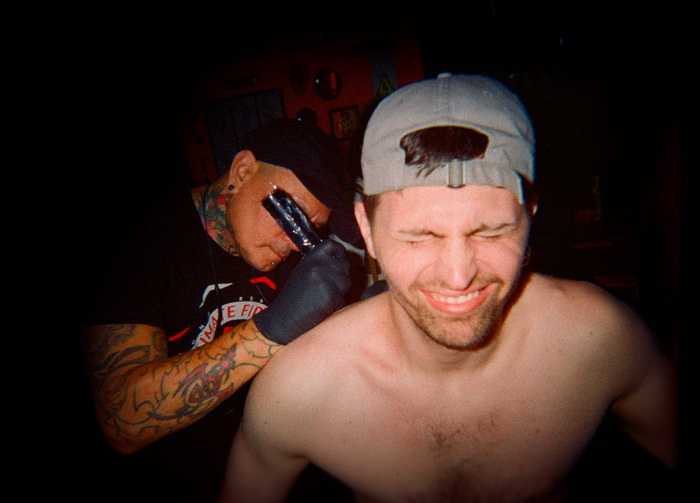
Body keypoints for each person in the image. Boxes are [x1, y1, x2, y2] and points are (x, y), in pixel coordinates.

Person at [220, 74, 677, 502]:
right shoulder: (299, 389)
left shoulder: (600, 339)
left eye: (492, 231)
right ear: (367, 229)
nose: (459, 277)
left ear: (530, 215)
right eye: (419, 237)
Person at [80, 118, 358, 502]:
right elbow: (121, 419)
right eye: (290, 213)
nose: (295, 242)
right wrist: (270, 329)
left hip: (267, 461)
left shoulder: (296, 259)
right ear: (242, 172)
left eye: (311, 228)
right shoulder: (138, 242)